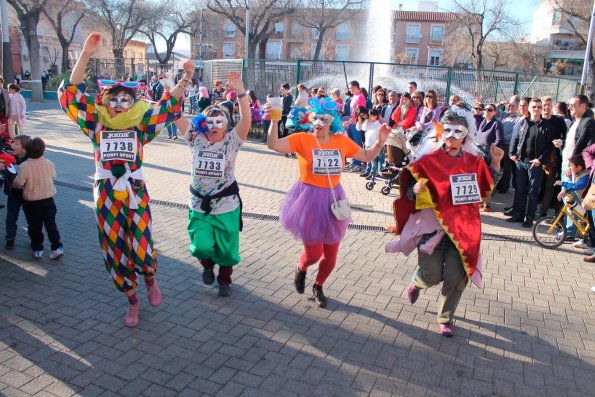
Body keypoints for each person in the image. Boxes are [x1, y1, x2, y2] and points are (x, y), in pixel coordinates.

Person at [58, 32, 191, 327]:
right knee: (114, 249)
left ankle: (150, 278)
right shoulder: (96, 126)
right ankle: (132, 301)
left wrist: (184, 80)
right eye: (113, 99)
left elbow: (166, 108)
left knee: (142, 244)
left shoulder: (141, 128)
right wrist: (85, 55)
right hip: (105, 192)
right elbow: (71, 96)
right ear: (105, 102)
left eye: (125, 99)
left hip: (135, 189)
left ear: (133, 103)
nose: (119, 104)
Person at [265, 97, 389, 308]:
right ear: (310, 118)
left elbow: (367, 156)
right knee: (313, 254)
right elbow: (273, 144)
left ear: (332, 121)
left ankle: (319, 286)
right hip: (309, 201)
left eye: (324, 118)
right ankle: (301, 267)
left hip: (334, 201)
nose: (319, 122)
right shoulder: (302, 139)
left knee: (331, 257)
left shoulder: (341, 140)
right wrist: (274, 121)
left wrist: (380, 142)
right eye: (316, 117)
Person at [391, 107, 504, 336]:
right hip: (434, 228)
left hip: (464, 229)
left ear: (466, 134)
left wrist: (496, 163)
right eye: (448, 130)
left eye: (457, 131)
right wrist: (415, 189)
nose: (451, 136)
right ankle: (418, 281)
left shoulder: (474, 162)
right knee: (432, 274)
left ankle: (445, 318)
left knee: (456, 276)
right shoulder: (428, 161)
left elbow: (487, 188)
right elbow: (410, 194)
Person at [176, 72, 250, 297]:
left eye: (219, 121)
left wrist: (240, 91)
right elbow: (174, 113)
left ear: (227, 124)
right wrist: (182, 82)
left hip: (226, 204)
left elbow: (246, 119)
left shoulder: (232, 141)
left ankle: (225, 279)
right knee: (201, 246)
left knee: (226, 249)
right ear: (202, 124)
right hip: (199, 203)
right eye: (210, 121)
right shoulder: (194, 138)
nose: (214, 125)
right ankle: (207, 265)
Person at [13, 137, 64, 260]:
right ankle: (56, 247)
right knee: (51, 224)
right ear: (43, 150)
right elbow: (54, 175)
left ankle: (37, 249)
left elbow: (18, 183)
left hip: (32, 202)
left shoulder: (24, 166)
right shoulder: (48, 163)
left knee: (34, 226)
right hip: (48, 200)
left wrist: (18, 185)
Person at [508, 98, 554, 228]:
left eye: (539, 107)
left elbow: (549, 146)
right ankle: (519, 214)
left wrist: (540, 159)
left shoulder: (546, 125)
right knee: (520, 189)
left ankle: (529, 217)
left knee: (533, 191)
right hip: (521, 161)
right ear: (530, 108)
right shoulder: (524, 122)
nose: (537, 109)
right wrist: (512, 154)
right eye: (534, 107)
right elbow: (516, 138)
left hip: (535, 164)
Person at [553, 95, 595, 239]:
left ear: (583, 106)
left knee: (572, 200)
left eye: (573, 104)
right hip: (567, 164)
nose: (569, 107)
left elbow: (583, 146)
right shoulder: (574, 121)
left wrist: (572, 166)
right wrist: (562, 143)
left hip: (575, 167)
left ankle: (573, 232)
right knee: (569, 199)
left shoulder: (588, 122)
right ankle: (574, 230)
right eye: (569, 104)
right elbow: (573, 143)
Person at [538, 96, 567, 218]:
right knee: (536, 185)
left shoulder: (559, 121)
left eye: (548, 105)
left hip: (552, 160)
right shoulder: (537, 120)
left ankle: (543, 210)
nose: (546, 107)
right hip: (537, 158)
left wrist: (561, 141)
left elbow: (566, 137)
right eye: (544, 105)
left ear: (552, 106)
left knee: (549, 186)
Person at [2, 135, 30, 249]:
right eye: (12, 142)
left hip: (27, 194)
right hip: (13, 193)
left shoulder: (30, 160)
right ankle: (10, 238)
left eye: (15, 143)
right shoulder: (8, 158)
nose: (12, 145)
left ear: (24, 149)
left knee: (31, 217)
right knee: (11, 217)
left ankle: (34, 238)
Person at [387, 92, 416, 167]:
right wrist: (399, 106)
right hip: (396, 130)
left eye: (406, 99)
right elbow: (393, 117)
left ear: (410, 100)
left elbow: (407, 122)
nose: (404, 101)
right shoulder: (400, 107)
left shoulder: (412, 109)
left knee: (403, 151)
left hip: (405, 132)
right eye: (402, 99)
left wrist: (398, 122)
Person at [361, 108, 384, 179]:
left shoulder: (378, 125)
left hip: (374, 145)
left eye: (371, 115)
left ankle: (373, 173)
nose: (369, 117)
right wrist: (365, 122)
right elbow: (363, 128)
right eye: (369, 115)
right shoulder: (369, 123)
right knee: (368, 159)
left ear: (375, 116)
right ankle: (368, 171)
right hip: (367, 143)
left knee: (373, 160)